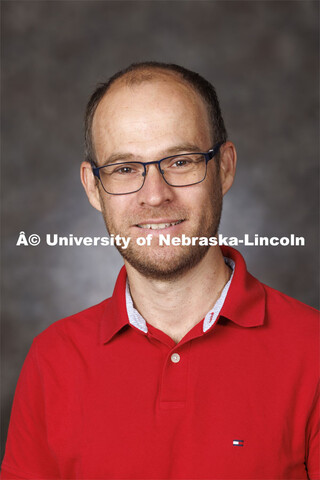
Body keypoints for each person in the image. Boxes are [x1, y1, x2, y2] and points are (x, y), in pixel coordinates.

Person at [1, 62, 319, 480]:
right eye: (125, 169)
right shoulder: (52, 360)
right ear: (93, 187)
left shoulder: (312, 350)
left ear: (224, 167)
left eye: (181, 161)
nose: (154, 195)